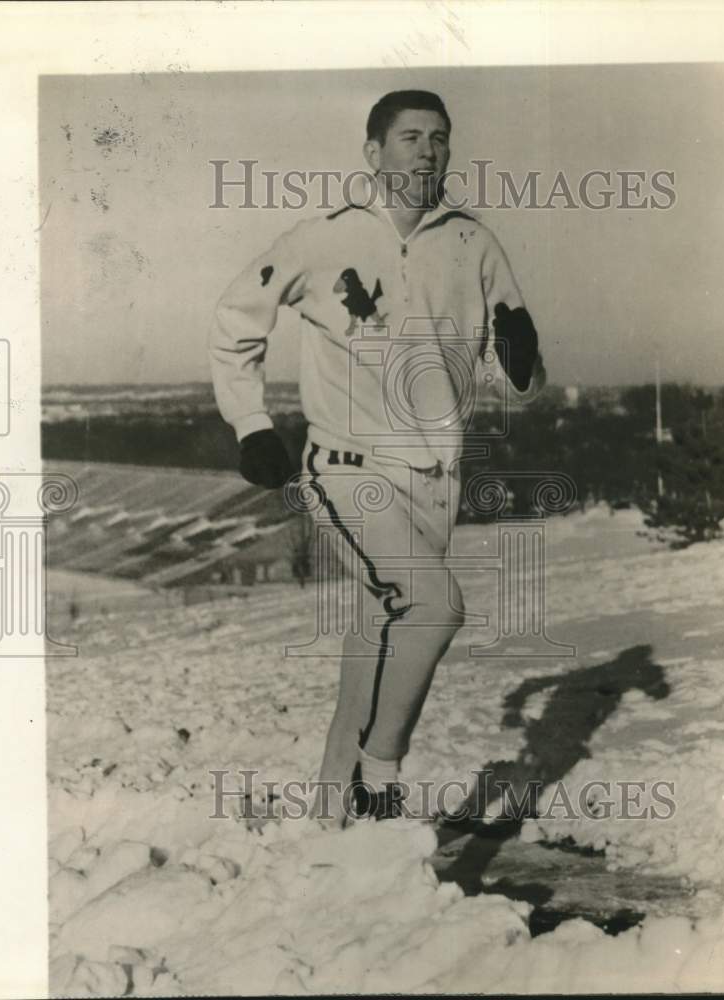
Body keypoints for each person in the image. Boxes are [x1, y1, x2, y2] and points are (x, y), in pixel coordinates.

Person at [209, 90, 546, 826]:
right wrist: (251, 423)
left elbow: (515, 373)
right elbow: (237, 319)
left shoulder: (473, 243)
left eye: (439, 139)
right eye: (409, 138)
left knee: (377, 647)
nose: (427, 152)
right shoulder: (322, 239)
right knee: (433, 606)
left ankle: (332, 826)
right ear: (373, 153)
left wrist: (520, 362)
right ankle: (378, 779)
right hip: (347, 465)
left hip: (436, 476)